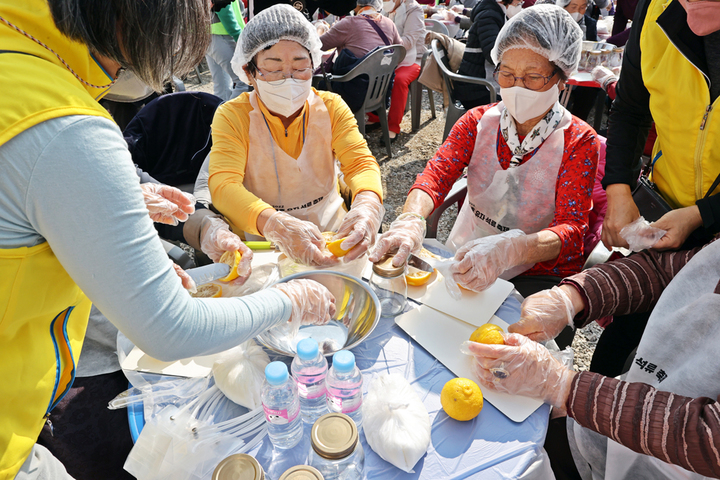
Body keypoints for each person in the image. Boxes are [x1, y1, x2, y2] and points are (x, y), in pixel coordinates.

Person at [0, 1, 338, 478]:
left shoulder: (19, 61)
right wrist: (289, 296)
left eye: (299, 65)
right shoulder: (62, 125)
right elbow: (170, 326)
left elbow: (28, 196)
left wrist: (175, 216)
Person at [371, 6, 599, 324]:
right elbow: (436, 175)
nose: (516, 86)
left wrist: (513, 249)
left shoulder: (578, 140)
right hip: (468, 251)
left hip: (536, 274)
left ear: (561, 79)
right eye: (506, 73)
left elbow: (572, 231)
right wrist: (410, 219)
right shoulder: (479, 122)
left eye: (533, 77)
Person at [465, 236, 720, 479]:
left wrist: (564, 386)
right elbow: (666, 271)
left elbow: (709, 437)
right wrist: (572, 296)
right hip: (612, 421)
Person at [589, 0, 720, 378]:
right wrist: (618, 190)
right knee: (618, 350)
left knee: (691, 370)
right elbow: (630, 107)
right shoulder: (657, 9)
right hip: (666, 212)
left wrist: (702, 215)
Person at [210, 5, 385, 268]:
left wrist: (368, 203)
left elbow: (359, 163)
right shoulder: (233, 115)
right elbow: (223, 185)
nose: (289, 79)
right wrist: (275, 224)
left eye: (300, 66)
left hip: (333, 236)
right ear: (249, 72)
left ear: (314, 64)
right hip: (265, 243)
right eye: (274, 68)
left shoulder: (331, 106)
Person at [365, 0, 425, 140]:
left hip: (413, 58)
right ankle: (375, 116)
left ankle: (393, 126)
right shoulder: (384, 10)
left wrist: (384, 45)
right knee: (370, 70)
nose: (384, 2)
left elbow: (409, 41)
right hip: (389, 55)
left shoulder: (414, 10)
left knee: (398, 80)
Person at [451, 0, 523, 110]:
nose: (522, 2)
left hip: (480, 84)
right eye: (517, 3)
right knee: (525, 102)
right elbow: (493, 55)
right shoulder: (489, 15)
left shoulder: (496, 12)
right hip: (477, 90)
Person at [207, 0, 251, 101]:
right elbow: (223, 7)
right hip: (224, 35)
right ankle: (226, 115)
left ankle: (217, 115)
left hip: (208, 35)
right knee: (244, 82)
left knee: (221, 87)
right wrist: (239, 37)